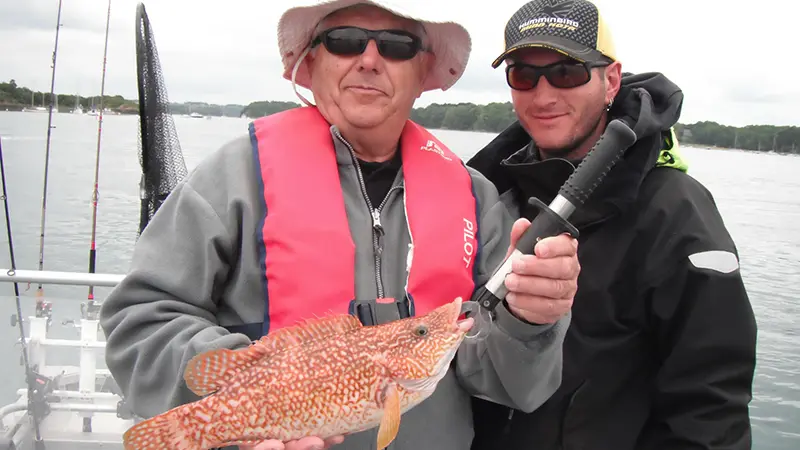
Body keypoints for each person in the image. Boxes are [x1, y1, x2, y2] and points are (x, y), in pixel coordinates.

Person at [99, 1, 582, 450]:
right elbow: (140, 319)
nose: (369, 60)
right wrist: (244, 390)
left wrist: (530, 320)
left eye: (396, 46)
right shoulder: (232, 179)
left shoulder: (475, 196)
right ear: (309, 65)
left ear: (424, 73)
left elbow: (510, 381)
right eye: (344, 41)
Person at [466, 0, 758, 449]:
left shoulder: (676, 210)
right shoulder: (485, 195)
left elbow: (710, 406)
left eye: (567, 72)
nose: (544, 95)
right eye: (525, 75)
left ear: (611, 81)